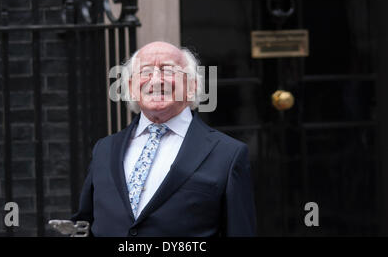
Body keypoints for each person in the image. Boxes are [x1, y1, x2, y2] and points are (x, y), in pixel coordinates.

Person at [71, 41, 256, 236]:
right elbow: (85, 224)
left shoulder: (228, 154)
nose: (156, 80)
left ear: (192, 85)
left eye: (168, 70)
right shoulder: (104, 149)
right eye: (145, 71)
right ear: (132, 87)